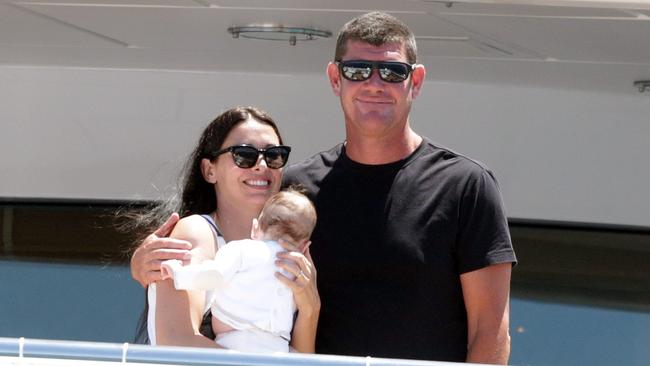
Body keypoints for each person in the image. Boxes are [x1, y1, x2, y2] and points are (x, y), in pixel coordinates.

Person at [131, 12, 516, 364]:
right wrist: (144, 265)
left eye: (392, 72)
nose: (374, 83)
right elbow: (225, 244)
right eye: (358, 70)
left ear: (415, 80)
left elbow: (490, 331)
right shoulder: (296, 193)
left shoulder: (465, 186)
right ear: (336, 78)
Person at [132, 106, 320, 352]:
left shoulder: (294, 248)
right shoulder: (196, 232)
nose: (261, 165)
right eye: (244, 154)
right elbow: (175, 340)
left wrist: (310, 310)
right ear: (210, 170)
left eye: (274, 155)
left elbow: (303, 358)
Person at [159, 189, 317, 353]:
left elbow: (213, 275)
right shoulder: (298, 273)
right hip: (279, 350)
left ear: (255, 228)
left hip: (235, 344)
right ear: (305, 246)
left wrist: (178, 273)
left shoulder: (241, 250)